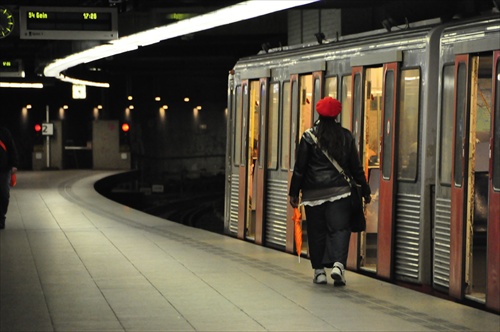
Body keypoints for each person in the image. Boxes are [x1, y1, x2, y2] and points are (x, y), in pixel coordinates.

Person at [289, 97, 371, 285]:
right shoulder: (346, 136)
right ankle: (338, 266)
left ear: (318, 113)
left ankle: (319, 271)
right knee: (340, 229)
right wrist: (365, 191)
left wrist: (294, 193)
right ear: (337, 115)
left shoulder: (308, 136)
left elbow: (300, 168)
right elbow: (356, 168)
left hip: (313, 194)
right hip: (340, 192)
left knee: (317, 232)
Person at [0, 126, 19, 229]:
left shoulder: (4, 132)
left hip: (4, 169)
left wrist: (14, 164)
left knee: (3, 193)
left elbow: (12, 148)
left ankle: (1, 217)